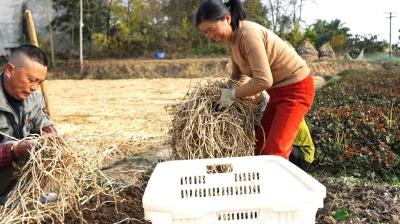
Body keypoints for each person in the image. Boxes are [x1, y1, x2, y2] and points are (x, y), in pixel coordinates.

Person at [196, 0, 315, 170]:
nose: (209, 36)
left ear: (227, 18)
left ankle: (281, 190)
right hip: (277, 92)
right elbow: (238, 75)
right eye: (205, 32)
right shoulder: (233, 40)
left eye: (211, 29)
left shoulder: (248, 33)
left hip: (296, 89)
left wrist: (231, 95)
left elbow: (264, 80)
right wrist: (220, 95)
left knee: (274, 153)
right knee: (259, 145)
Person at [0, 44, 56, 205]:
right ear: (10, 70)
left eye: (39, 82)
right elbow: (15, 150)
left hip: (15, 175)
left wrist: (55, 142)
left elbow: (46, 126)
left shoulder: (34, 100)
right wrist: (14, 150)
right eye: (30, 79)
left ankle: (26, 195)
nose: (34, 87)